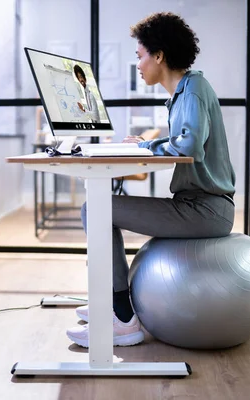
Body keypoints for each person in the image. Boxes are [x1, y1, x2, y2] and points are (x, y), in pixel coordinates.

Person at [66, 12, 236, 348]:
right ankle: (113, 307)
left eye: (140, 56)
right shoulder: (187, 90)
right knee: (97, 207)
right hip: (199, 206)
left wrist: (144, 145)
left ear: (159, 55)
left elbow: (188, 147)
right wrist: (144, 146)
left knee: (97, 210)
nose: (139, 65)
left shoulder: (193, 89)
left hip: (206, 211)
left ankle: (121, 317)